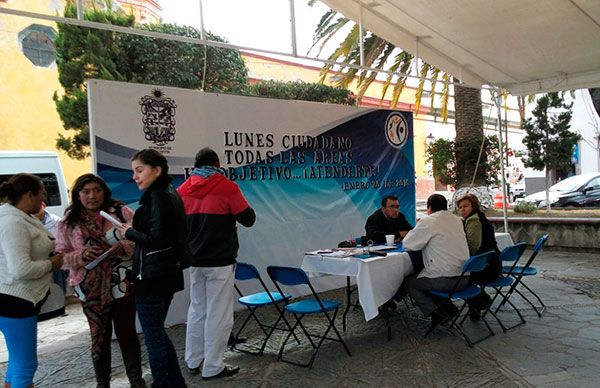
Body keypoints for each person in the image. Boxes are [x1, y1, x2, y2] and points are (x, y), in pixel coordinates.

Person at [55, 174, 145, 388]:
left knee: (127, 333)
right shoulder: (69, 222)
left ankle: (136, 380)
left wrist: (122, 248)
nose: (92, 196)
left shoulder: (121, 212)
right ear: (77, 195)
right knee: (99, 337)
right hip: (90, 287)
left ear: (104, 191)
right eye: (86, 192)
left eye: (97, 190)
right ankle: (102, 383)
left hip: (121, 283)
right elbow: (60, 258)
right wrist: (81, 255)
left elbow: (140, 241)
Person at [178, 147, 255, 380]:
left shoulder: (181, 190)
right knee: (219, 314)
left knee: (197, 310)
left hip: (194, 260)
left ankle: (193, 359)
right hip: (220, 259)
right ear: (217, 164)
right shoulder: (227, 187)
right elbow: (248, 219)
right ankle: (213, 366)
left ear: (195, 165)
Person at [117, 149, 187, 388]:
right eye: (133, 171)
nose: (135, 176)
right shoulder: (166, 192)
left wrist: (130, 232)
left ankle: (163, 383)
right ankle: (174, 383)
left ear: (156, 170)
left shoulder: (158, 195)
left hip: (153, 276)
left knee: (153, 337)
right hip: (163, 274)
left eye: (139, 170)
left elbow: (158, 238)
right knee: (156, 332)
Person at [0, 173, 64, 387]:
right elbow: (21, 269)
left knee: (17, 361)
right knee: (26, 364)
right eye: (41, 194)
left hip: (14, 299)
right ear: (29, 195)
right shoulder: (13, 222)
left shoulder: (17, 216)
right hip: (15, 300)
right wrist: (51, 264)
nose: (43, 200)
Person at [401, 194, 470, 330]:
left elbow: (408, 244)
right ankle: (448, 308)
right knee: (428, 275)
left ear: (429, 208)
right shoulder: (457, 220)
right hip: (464, 278)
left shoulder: (429, 221)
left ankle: (436, 313)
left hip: (446, 281)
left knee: (409, 282)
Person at [456, 193, 500, 320]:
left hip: (486, 268)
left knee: (459, 276)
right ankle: (476, 307)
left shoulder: (473, 220)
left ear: (473, 206)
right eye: (460, 207)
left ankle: (481, 301)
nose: (462, 209)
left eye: (466, 206)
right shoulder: (479, 217)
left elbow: (473, 247)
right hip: (493, 264)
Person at [34, 201, 68, 295]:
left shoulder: (56, 220)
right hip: (38, 258)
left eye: (39, 205)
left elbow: (64, 241)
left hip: (55, 255)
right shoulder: (28, 221)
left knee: (59, 269)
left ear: (44, 206)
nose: (37, 208)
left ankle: (60, 295)